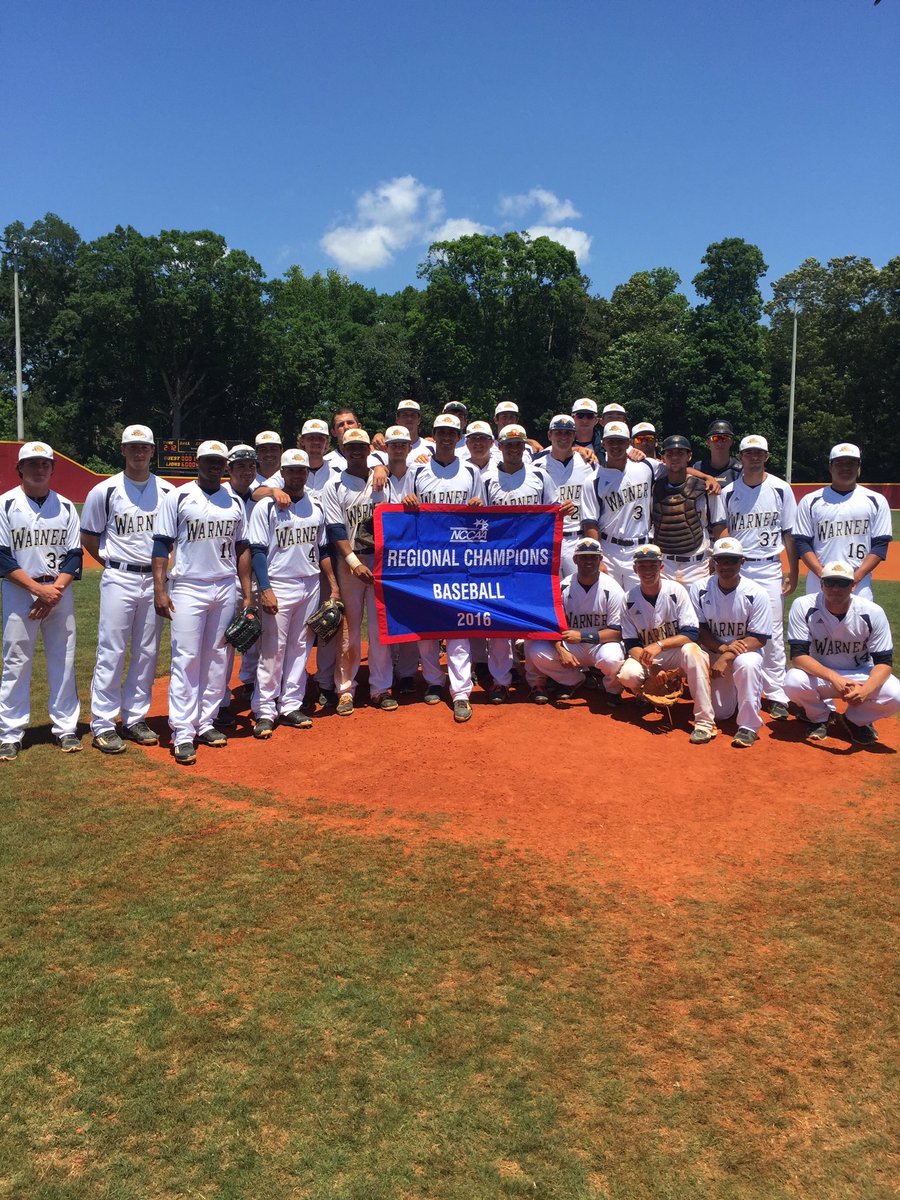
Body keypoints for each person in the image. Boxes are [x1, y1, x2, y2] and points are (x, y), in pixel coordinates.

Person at [152, 440, 253, 765]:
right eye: (208, 460)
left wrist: (247, 592)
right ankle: (182, 732)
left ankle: (206, 722)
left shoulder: (233, 500)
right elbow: (161, 546)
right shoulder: (178, 496)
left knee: (219, 658)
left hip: (224, 586)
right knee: (187, 657)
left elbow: (242, 548)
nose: (214, 465)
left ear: (225, 464)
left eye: (218, 461)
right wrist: (160, 589)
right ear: (198, 463)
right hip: (188, 587)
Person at [80, 424, 175, 753]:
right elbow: (90, 538)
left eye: (144, 447)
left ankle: (135, 717)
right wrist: (112, 563)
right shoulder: (104, 491)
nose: (138, 452)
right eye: (132, 446)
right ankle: (104, 723)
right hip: (119, 576)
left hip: (155, 578)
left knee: (147, 651)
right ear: (122, 450)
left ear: (152, 451)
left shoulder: (166, 491)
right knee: (112, 650)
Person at [0, 442, 83, 762]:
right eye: (32, 464)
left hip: (58, 592)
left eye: (44, 464)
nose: (39, 469)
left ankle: (65, 727)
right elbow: (3, 558)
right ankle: (10, 732)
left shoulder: (64, 507)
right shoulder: (6, 504)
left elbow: (74, 555)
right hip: (20, 591)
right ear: (19, 469)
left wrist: (53, 592)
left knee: (63, 660)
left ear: (52, 468)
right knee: (16, 660)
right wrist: (38, 590)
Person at [247, 448, 339, 738]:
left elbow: (322, 549)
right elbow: (258, 550)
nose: (298, 474)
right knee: (273, 649)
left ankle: (290, 705)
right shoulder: (267, 507)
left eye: (302, 470)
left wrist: (333, 584)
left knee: (300, 647)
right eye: (292, 470)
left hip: (310, 583)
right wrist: (264, 587)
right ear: (282, 473)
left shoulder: (316, 506)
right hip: (279, 582)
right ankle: (264, 709)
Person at [401, 413, 484, 722]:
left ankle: (461, 691)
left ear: (458, 436)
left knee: (458, 626)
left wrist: (478, 507)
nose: (447, 437)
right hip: (427, 557)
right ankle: (434, 681)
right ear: (433, 435)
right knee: (427, 625)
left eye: (453, 432)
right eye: (442, 432)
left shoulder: (472, 471)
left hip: (460, 559)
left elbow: (483, 518)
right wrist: (407, 501)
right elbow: (402, 513)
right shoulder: (417, 470)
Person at [721, 434, 798, 720]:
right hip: (738, 567)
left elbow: (789, 533)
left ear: (767, 456)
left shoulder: (780, 489)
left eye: (759, 453)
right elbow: (722, 533)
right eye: (748, 453)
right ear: (740, 457)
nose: (754, 457)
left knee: (772, 632)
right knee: (736, 628)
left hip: (768, 567)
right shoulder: (728, 491)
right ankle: (745, 690)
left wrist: (793, 570)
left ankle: (776, 692)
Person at [784, 560, 900, 744]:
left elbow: (884, 663)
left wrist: (867, 690)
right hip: (821, 674)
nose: (835, 588)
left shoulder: (872, 612)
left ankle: (855, 720)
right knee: (793, 681)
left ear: (853, 585)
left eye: (843, 582)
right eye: (830, 582)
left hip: (859, 674)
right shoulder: (804, 606)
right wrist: (834, 678)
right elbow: (798, 657)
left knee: (895, 693)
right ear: (821, 584)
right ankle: (819, 717)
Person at [322, 428, 395, 715]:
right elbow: (336, 530)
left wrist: (381, 467)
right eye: (350, 447)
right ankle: (346, 690)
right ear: (343, 449)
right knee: (348, 630)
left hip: (379, 563)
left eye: (360, 447)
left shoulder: (382, 481)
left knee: (380, 630)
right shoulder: (335, 485)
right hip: (350, 564)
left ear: (368, 450)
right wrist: (354, 563)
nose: (355, 451)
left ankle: (380, 688)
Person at [616, 544, 717, 744]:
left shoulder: (676, 591)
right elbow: (631, 644)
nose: (647, 571)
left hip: (675, 653)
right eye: (642, 566)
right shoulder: (628, 599)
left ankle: (705, 722)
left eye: (652, 565)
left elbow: (691, 633)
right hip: (649, 658)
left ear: (661, 567)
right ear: (635, 569)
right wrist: (652, 667)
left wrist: (659, 645)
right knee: (627, 675)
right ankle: (645, 695)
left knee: (693, 651)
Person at [480, 424, 546, 701]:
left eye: (518, 444)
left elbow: (551, 512)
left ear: (524, 448)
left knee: (533, 618)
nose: (513, 449)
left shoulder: (539, 475)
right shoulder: (486, 478)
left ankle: (536, 679)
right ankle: (500, 679)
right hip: (499, 557)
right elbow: (479, 523)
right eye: (508, 444)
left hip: (532, 558)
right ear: (500, 446)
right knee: (498, 621)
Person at [691, 537, 772, 748]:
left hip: (744, 653)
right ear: (713, 562)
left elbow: (759, 638)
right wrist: (722, 649)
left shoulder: (757, 593)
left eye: (732, 561)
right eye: (721, 561)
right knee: (721, 713)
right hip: (715, 650)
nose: (726, 566)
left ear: (742, 562)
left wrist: (726, 656)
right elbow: (699, 630)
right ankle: (738, 693)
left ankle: (748, 726)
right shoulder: (699, 588)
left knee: (748, 664)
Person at [524, 537, 625, 705]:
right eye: (584, 557)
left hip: (600, 645)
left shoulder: (612, 589)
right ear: (575, 559)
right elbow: (551, 626)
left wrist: (583, 636)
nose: (589, 561)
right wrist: (559, 648)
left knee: (612, 658)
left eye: (593, 557)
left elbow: (617, 633)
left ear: (600, 559)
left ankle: (612, 690)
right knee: (537, 651)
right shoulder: (563, 587)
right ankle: (575, 679)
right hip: (571, 645)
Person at [794, 442, 892, 600]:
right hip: (818, 582)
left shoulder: (876, 500)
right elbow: (802, 542)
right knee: (817, 624)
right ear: (830, 467)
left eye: (851, 462)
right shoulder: (810, 501)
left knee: (858, 624)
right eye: (839, 463)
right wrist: (823, 574)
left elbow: (880, 545)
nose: (845, 467)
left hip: (859, 584)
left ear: (859, 466)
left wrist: (856, 577)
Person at [581, 420, 658, 591]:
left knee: (640, 604)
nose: (615, 446)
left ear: (628, 443)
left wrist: (706, 478)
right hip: (609, 550)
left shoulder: (646, 466)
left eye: (620, 441)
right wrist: (597, 559)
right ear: (603, 444)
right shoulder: (592, 480)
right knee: (609, 604)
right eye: (611, 441)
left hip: (640, 546)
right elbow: (590, 523)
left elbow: (676, 469)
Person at [216, 443, 260, 726]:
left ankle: (252, 687)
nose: (246, 471)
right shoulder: (221, 497)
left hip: (256, 578)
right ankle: (219, 704)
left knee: (253, 636)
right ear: (228, 469)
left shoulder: (259, 498)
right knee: (223, 644)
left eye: (250, 466)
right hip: (224, 578)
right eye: (240, 466)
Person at [650, 434, 726, 585]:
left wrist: (721, 559)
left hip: (696, 565)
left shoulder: (706, 488)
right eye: (669, 453)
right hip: (665, 564)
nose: (675, 457)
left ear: (689, 456)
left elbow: (719, 526)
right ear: (663, 458)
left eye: (680, 453)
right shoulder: (654, 487)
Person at [532, 414, 599, 579]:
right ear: (550, 435)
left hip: (577, 537)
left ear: (574, 435)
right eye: (558, 432)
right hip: (548, 539)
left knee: (577, 594)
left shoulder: (589, 463)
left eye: (568, 433)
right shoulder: (536, 467)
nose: (563, 437)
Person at [693, 420, 742, 487]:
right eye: (715, 438)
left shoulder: (740, 470)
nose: (720, 443)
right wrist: (706, 477)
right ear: (708, 442)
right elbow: (682, 471)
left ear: (731, 442)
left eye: (725, 438)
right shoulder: (698, 468)